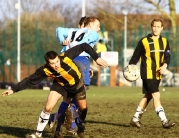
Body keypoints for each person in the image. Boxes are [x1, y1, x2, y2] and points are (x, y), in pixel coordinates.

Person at [1, 43, 108, 138]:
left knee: (83, 110)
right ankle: (38, 134)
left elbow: (84, 45)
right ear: (48, 63)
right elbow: (30, 80)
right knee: (48, 107)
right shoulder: (44, 70)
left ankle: (80, 125)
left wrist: (96, 58)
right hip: (60, 85)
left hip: (77, 85)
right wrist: (14, 90)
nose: (56, 64)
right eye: (52, 63)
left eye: (57, 61)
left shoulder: (66, 57)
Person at [48, 16, 101, 136]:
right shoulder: (93, 34)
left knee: (66, 96)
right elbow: (84, 46)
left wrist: (62, 40)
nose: (99, 28)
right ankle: (74, 121)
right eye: (97, 25)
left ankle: (58, 130)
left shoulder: (73, 31)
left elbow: (59, 30)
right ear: (91, 24)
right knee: (79, 95)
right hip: (80, 60)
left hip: (64, 60)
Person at [128, 18, 175, 129]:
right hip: (147, 73)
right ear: (151, 27)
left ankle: (135, 118)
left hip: (158, 74)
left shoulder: (164, 41)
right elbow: (135, 56)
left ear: (162, 28)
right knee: (156, 95)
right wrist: (130, 69)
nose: (156, 28)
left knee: (148, 96)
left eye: (158, 26)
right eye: (154, 26)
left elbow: (167, 55)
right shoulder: (144, 41)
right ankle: (164, 121)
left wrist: (165, 65)